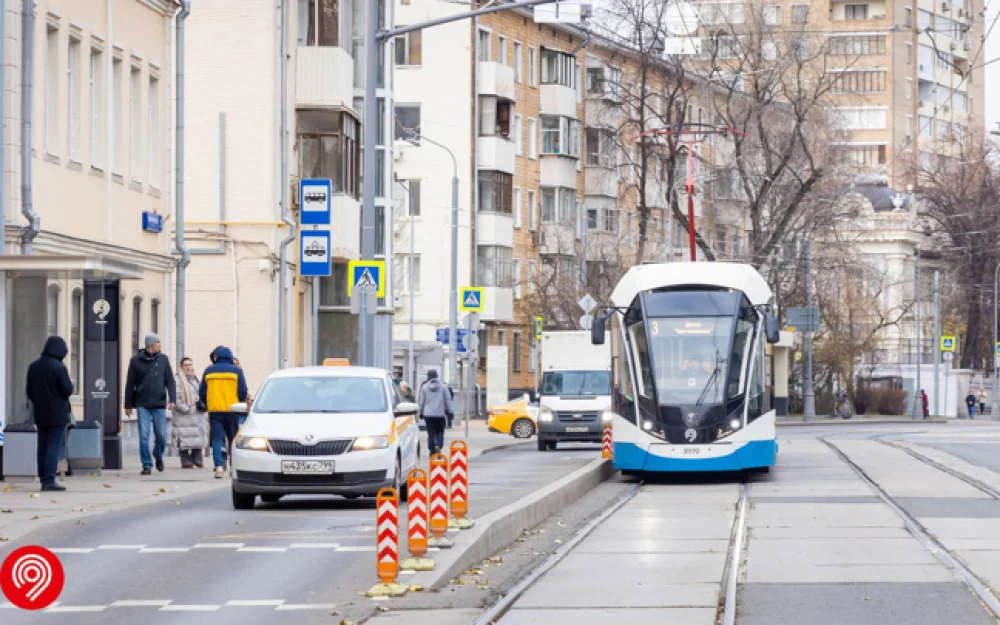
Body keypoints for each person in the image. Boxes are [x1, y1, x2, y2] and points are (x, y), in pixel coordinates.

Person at [25, 336, 74, 491]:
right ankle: (49, 479)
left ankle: (42, 477)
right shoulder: (59, 367)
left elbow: (29, 391)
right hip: (58, 412)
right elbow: (68, 389)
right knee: (54, 445)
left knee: (43, 445)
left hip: (40, 411)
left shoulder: (34, 366)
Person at [124, 334, 177, 475]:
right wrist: (128, 404)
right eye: (158, 342)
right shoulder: (135, 361)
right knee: (144, 436)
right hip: (142, 403)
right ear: (150, 345)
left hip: (159, 403)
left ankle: (158, 455)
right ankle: (146, 464)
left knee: (161, 435)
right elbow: (130, 383)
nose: (160, 344)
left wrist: (172, 399)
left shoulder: (163, 359)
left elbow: (170, 381)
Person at [200, 346, 248, 478]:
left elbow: (202, 391)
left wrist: (208, 402)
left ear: (217, 357)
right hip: (232, 409)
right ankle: (233, 467)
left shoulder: (209, 371)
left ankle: (219, 467)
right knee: (233, 439)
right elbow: (243, 390)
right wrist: (239, 401)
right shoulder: (236, 371)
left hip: (215, 409)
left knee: (216, 439)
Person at [173, 357, 208, 468]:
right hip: (184, 415)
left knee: (198, 437)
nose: (188, 367)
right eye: (186, 365)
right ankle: (185, 460)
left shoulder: (195, 379)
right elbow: (175, 397)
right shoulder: (177, 379)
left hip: (197, 414)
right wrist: (185, 409)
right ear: (181, 367)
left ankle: (197, 459)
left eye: (190, 365)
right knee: (184, 439)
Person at [418, 370, 451, 455]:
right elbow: (447, 400)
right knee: (440, 431)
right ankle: (439, 446)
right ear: (437, 376)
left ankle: (432, 449)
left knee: (430, 432)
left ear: (428, 377)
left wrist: (420, 412)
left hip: (428, 414)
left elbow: (422, 402)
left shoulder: (424, 387)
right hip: (440, 414)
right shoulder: (443, 387)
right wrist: (450, 411)